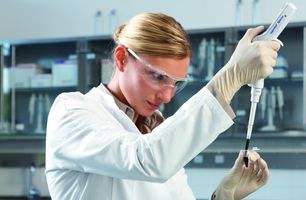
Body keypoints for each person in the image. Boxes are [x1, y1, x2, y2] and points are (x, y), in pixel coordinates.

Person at [45, 12, 280, 200]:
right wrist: (230, 77)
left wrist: (224, 196)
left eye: (175, 83)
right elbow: (146, 160)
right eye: (157, 76)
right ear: (120, 58)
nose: (167, 96)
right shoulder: (72, 111)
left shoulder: (159, 132)